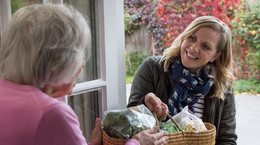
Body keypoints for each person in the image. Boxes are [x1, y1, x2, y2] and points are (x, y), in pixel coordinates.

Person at [0, 4, 168, 145]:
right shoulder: (52, 113)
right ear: (57, 62)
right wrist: (138, 142)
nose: (82, 64)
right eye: (78, 53)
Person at [127, 16, 237, 144]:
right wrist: (145, 105)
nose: (193, 48)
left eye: (205, 47)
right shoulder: (153, 68)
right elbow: (129, 122)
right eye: (192, 38)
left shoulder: (222, 86)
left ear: (216, 55)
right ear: (185, 36)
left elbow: (227, 139)